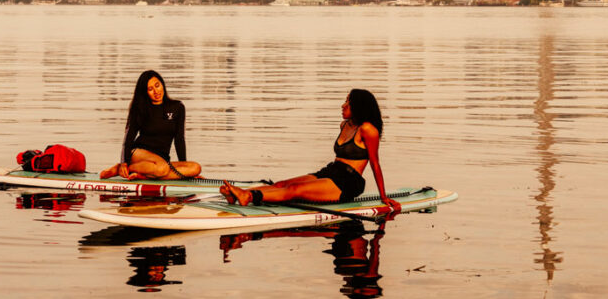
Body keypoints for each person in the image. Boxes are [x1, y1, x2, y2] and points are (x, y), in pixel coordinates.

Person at [220, 89, 401, 213]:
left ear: (358, 106)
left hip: (348, 182)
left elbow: (375, 164)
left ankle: (248, 195)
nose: (343, 105)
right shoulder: (344, 125)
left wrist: (383, 197)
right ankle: (237, 194)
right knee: (283, 184)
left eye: (348, 102)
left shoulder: (368, 129)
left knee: (296, 190)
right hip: (331, 171)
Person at [99, 70, 202, 180]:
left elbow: (179, 139)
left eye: (157, 85)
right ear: (145, 92)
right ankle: (122, 168)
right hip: (139, 153)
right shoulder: (140, 108)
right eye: (150, 89)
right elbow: (129, 136)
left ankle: (145, 176)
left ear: (162, 84)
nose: (156, 91)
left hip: (161, 159)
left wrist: (186, 171)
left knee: (195, 168)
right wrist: (124, 162)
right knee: (162, 168)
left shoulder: (178, 107)